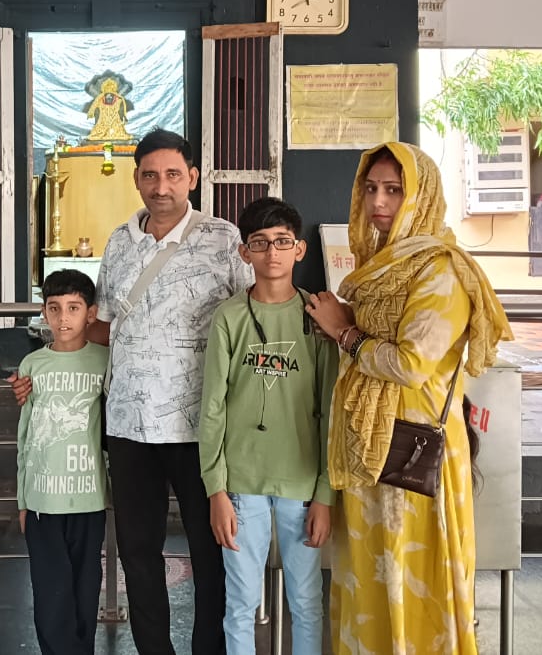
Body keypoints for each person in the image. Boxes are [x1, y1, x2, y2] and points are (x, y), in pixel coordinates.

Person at [12, 128, 252, 655]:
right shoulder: (120, 241)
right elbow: (103, 327)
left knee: (210, 550)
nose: (161, 186)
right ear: (136, 178)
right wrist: (45, 374)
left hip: (201, 425)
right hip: (128, 425)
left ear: (192, 177)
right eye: (150, 175)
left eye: (173, 174)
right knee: (138, 554)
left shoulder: (223, 238)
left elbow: (248, 318)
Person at [305, 142, 513, 655]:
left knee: (412, 578)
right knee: (371, 580)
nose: (379, 201)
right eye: (371, 188)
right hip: (370, 450)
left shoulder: (441, 270)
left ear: (421, 197)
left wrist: (344, 333)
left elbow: (411, 364)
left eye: (395, 190)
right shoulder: (381, 265)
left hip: (415, 455)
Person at [199, 197, 337, 655]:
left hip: (302, 483)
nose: (272, 252)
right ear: (244, 252)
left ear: (299, 249)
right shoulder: (230, 317)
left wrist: (325, 493)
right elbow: (213, 407)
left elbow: (329, 408)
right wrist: (216, 490)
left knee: (307, 602)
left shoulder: (318, 317)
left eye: (282, 241)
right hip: (242, 484)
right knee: (240, 603)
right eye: (259, 243)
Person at [16, 269, 110, 655]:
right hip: (43, 499)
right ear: (44, 313)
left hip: (89, 497)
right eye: (54, 308)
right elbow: (25, 436)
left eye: (73, 308)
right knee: (50, 593)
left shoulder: (106, 362)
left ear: (91, 313)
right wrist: (22, 499)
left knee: (86, 590)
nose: (63, 318)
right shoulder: (32, 365)